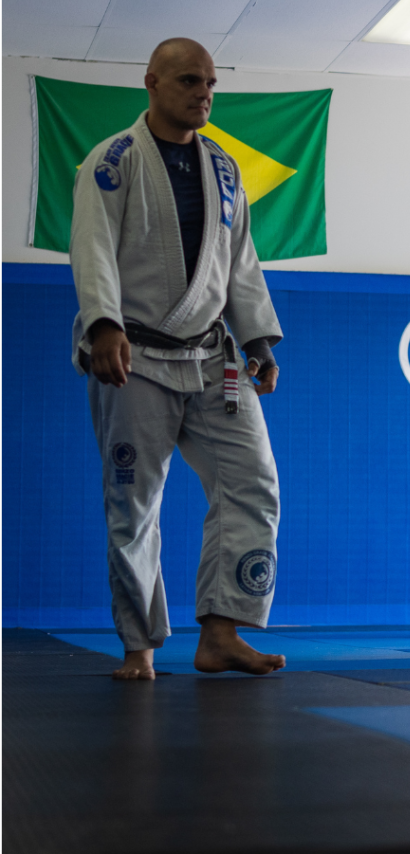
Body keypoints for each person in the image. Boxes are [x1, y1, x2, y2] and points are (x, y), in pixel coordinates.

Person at [70, 37, 286, 680]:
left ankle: (221, 632)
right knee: (134, 504)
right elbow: (92, 247)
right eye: (191, 81)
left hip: (212, 360)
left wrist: (258, 342)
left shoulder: (224, 168)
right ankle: (139, 645)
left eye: (211, 83)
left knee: (254, 482)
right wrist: (104, 325)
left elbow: (239, 261)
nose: (204, 93)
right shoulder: (111, 162)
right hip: (133, 357)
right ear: (153, 83)